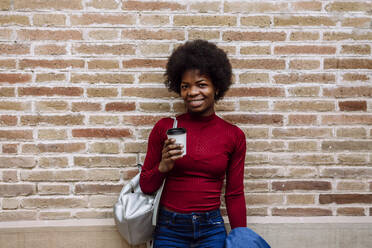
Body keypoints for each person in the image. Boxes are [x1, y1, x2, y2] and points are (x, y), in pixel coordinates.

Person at [139, 39, 247, 248]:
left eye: (201, 84)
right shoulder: (165, 127)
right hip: (169, 228)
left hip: (211, 228)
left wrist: (240, 237)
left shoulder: (233, 135)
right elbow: (146, 186)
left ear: (217, 87)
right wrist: (163, 166)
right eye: (185, 86)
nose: (192, 92)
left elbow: (234, 194)